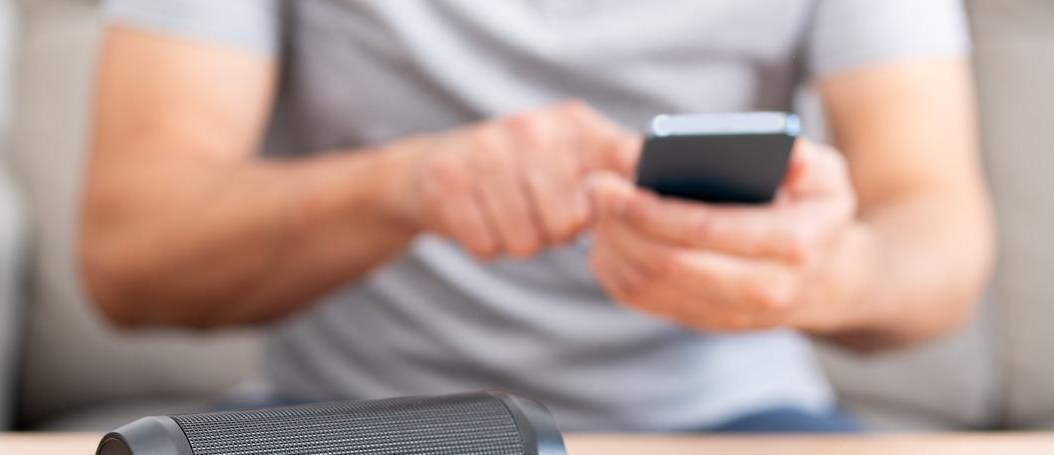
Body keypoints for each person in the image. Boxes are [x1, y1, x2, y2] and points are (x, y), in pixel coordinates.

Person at [79, 1, 994, 433]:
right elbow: (128, 252)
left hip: (730, 421)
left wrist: (830, 274)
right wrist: (402, 186)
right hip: (351, 425)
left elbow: (939, 233)